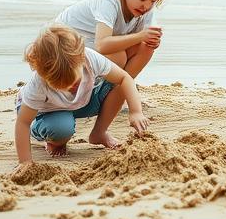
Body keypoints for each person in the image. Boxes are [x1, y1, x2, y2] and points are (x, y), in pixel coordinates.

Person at [54, 0, 166, 145]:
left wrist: (150, 40)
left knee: (146, 48)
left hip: (92, 51)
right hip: (62, 47)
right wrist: (140, 37)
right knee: (119, 56)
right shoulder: (109, 1)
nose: (146, 6)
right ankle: (119, 86)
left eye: (153, 1)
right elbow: (102, 45)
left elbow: (140, 41)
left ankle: (101, 129)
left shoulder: (145, 11)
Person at [13, 24, 149, 164]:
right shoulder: (39, 84)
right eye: (60, 86)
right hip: (46, 111)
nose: (70, 88)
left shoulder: (89, 58)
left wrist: (136, 111)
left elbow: (125, 78)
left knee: (117, 84)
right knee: (61, 129)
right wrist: (25, 163)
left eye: (75, 82)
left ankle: (99, 133)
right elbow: (23, 122)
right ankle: (52, 138)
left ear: (81, 59)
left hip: (81, 101)